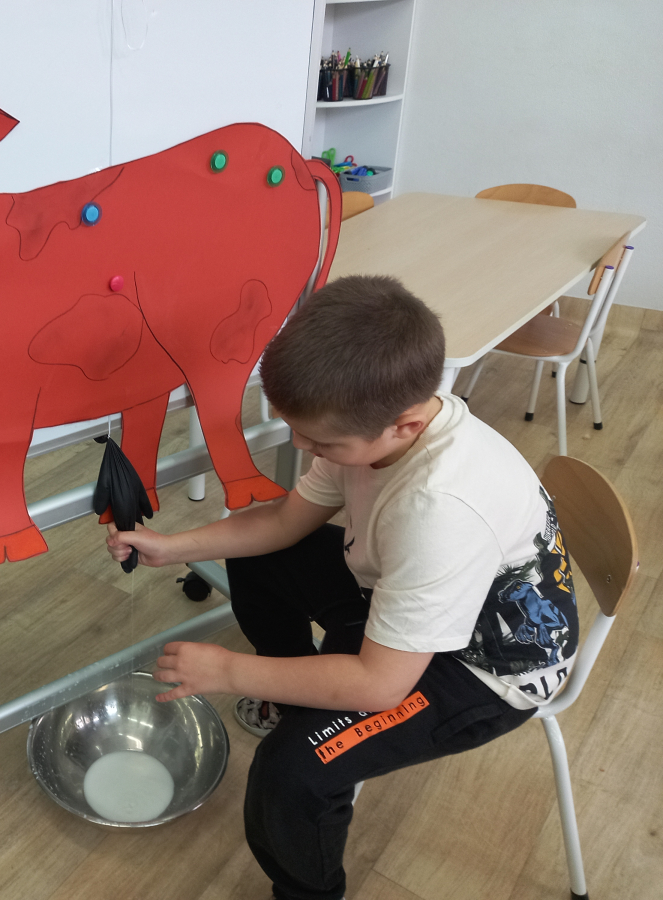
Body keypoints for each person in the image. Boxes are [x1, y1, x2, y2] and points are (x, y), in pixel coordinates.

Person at [105, 275, 578, 900]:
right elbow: (282, 524)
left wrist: (229, 671)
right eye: (297, 430)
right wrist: (173, 546)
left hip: (485, 670)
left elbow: (381, 685)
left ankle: (309, 892)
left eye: (322, 441)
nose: (302, 447)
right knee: (261, 560)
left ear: (406, 425)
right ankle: (301, 700)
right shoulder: (376, 421)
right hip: (407, 601)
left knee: (293, 772)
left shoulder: (439, 510)